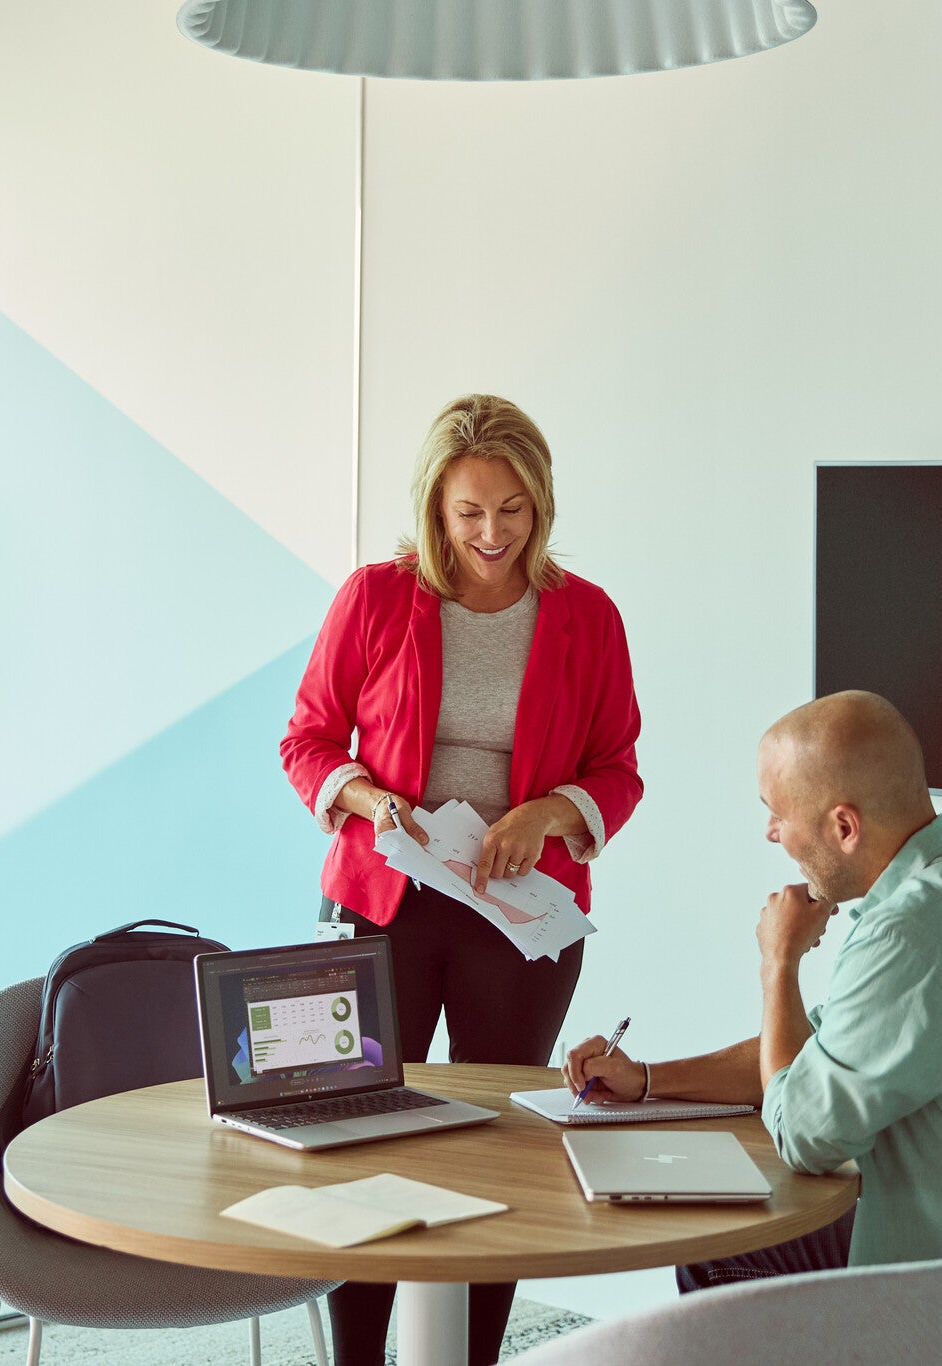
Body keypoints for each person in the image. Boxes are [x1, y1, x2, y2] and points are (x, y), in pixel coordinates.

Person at [563, 691, 942, 1366]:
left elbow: (802, 1135)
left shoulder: (911, 935)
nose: (771, 834)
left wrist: (778, 964)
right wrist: (646, 1080)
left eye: (777, 813)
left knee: (722, 1252)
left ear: (844, 826)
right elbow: (819, 1055)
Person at [282, 394, 644, 1366]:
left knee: (496, 1148)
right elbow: (307, 740)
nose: (490, 533)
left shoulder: (586, 615)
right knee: (358, 1140)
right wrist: (369, 800)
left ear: (541, 503)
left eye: (511, 510)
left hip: (517, 917)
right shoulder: (374, 598)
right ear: (434, 509)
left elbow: (618, 768)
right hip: (381, 900)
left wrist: (547, 814)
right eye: (468, 512)